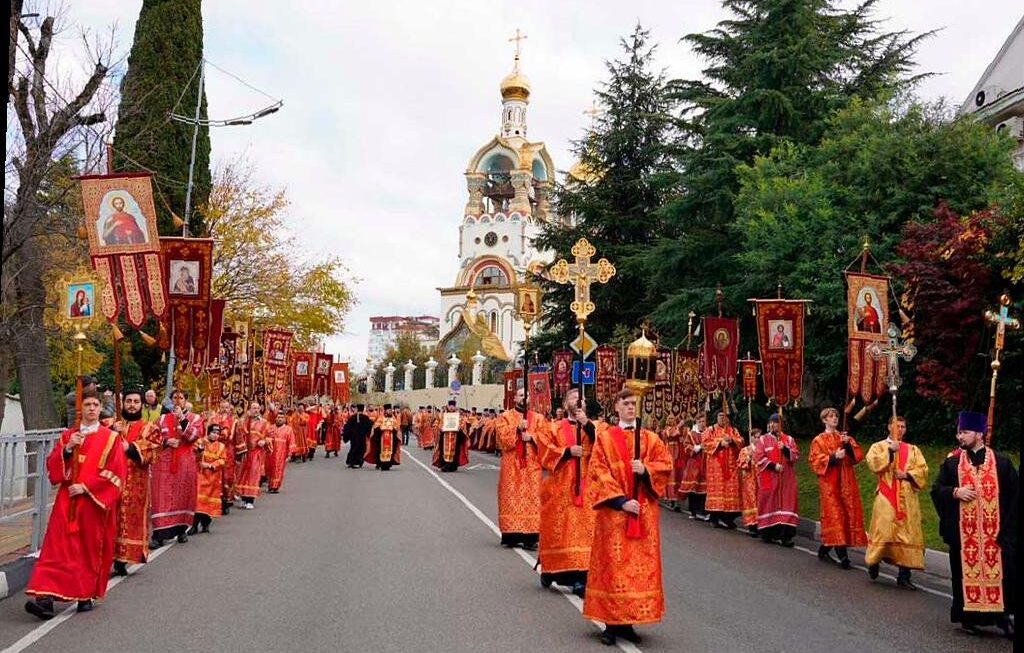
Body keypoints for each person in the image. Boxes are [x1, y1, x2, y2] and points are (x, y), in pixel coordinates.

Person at [24, 391, 128, 619]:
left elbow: (117, 473)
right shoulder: (68, 435)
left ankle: (84, 595)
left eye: (95, 404)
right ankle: (45, 598)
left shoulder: (111, 438)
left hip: (93, 504)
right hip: (66, 501)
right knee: (56, 548)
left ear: (100, 408)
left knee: (86, 550)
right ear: (81, 408)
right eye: (87, 404)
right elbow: (53, 467)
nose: (92, 408)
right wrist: (68, 449)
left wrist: (86, 487)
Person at [583, 388, 673, 646]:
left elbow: (665, 464)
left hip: (643, 515)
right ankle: (611, 623)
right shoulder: (605, 439)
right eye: (626, 403)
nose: (631, 407)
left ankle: (629, 621)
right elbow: (598, 472)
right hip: (615, 516)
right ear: (617, 407)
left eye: (634, 403)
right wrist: (621, 502)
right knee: (615, 570)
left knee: (637, 572)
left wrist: (645, 470)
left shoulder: (650, 438)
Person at [930, 411, 1017, 638]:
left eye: (965, 432)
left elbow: (1015, 497)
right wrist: (955, 492)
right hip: (964, 537)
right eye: (959, 432)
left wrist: (1008, 532)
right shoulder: (952, 464)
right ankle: (968, 618)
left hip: (996, 536)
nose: (959, 436)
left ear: (979, 434)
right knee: (963, 576)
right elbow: (936, 490)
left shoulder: (1002, 463)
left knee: (1003, 576)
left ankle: (1003, 618)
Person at [534, 389, 596, 597]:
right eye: (573, 397)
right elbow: (544, 448)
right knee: (561, 533)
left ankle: (581, 577)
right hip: (560, 488)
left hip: (587, 489)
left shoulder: (595, 426)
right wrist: (567, 451)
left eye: (582, 398)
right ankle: (551, 570)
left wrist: (586, 424)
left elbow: (605, 447)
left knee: (585, 534)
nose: (578, 400)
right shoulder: (554, 427)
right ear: (565, 403)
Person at [865, 415, 929, 589]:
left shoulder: (913, 449)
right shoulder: (878, 446)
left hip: (907, 498)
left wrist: (907, 474)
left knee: (907, 535)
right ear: (889, 427)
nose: (900, 429)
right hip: (886, 496)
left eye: (903, 427)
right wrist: (890, 451)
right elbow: (873, 464)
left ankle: (904, 575)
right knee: (884, 532)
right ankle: (874, 561)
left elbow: (923, 470)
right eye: (897, 426)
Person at [111, 388, 162, 577]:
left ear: (142, 404)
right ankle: (108, 555)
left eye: (136, 402)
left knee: (131, 520)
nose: (132, 405)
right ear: (122, 403)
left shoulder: (149, 428)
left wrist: (130, 448)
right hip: (112, 481)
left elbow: (153, 451)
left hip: (136, 483)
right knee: (111, 519)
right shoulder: (111, 425)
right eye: (129, 401)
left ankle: (123, 559)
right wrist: (111, 432)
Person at [809, 407, 866, 568]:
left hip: (846, 481)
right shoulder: (818, 440)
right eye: (831, 416)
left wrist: (848, 446)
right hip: (829, 483)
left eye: (836, 416)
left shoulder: (843, 437)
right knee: (835, 515)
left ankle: (825, 549)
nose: (834, 418)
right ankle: (843, 557)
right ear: (824, 420)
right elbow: (815, 461)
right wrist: (834, 457)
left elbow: (857, 457)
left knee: (846, 515)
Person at [494, 387, 547, 549]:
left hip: (532, 466)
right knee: (511, 498)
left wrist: (531, 437)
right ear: (515, 398)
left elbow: (546, 439)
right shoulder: (505, 417)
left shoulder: (538, 418)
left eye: (527, 395)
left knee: (533, 498)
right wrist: (517, 428)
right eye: (521, 395)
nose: (524, 398)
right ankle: (512, 536)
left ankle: (531, 537)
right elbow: (501, 440)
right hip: (512, 466)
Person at [150, 390, 202, 546]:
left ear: (186, 401)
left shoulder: (195, 418)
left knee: (182, 498)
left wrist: (182, 419)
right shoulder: (161, 419)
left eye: (181, 398)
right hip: (163, 465)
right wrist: (166, 442)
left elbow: (194, 436)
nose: (177, 400)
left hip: (185, 465)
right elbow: (152, 439)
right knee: (161, 498)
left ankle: (181, 530)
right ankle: (159, 535)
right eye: (174, 398)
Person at [754, 414, 800, 546]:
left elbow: (796, 456)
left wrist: (784, 449)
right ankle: (768, 533)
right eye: (771, 422)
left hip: (786, 480)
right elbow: (758, 457)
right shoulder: (763, 440)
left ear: (781, 424)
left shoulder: (789, 439)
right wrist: (774, 466)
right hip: (770, 479)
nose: (772, 425)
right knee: (769, 505)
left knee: (787, 505)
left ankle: (786, 536)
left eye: (775, 422)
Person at [702, 411, 743, 528]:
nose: (721, 418)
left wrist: (732, 440)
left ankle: (728, 518)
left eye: (723, 416)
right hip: (716, 468)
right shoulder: (711, 430)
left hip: (731, 467)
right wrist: (719, 443)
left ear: (727, 418)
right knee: (717, 493)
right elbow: (705, 443)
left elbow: (741, 441)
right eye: (719, 416)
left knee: (731, 492)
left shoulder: (733, 430)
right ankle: (714, 518)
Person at [191, 423, 227, 534]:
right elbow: (193, 455)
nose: (215, 435)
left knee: (209, 503)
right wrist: (199, 452)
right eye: (213, 432)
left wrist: (211, 465)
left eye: (217, 433)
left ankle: (206, 524)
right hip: (200, 476)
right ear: (208, 432)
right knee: (198, 501)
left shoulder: (221, 446)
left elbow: (223, 460)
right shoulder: (200, 442)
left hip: (213, 478)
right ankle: (194, 525)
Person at [236, 401, 271, 509]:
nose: (256, 410)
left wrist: (264, 441)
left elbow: (270, 436)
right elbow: (239, 431)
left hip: (256, 452)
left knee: (253, 475)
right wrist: (246, 417)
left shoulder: (264, 422)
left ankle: (250, 499)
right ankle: (243, 498)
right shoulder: (244, 421)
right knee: (242, 475)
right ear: (249, 409)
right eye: (253, 408)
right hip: (245, 452)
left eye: (257, 408)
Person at [209, 401, 239, 514]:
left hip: (228, 451)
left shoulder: (234, 421)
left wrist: (239, 453)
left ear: (230, 409)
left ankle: (226, 499)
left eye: (227, 407)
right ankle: (215, 500)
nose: (224, 409)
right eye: (222, 407)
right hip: (214, 449)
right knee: (215, 474)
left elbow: (237, 437)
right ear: (219, 408)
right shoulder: (213, 419)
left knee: (227, 476)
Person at [677, 417, 708, 520]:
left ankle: (703, 511)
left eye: (703, 421)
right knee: (693, 487)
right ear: (696, 422)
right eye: (700, 421)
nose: (702, 423)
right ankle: (693, 511)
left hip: (705, 463)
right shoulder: (691, 434)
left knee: (704, 489)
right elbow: (686, 447)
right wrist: (698, 448)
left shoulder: (708, 433)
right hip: (694, 464)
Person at [431, 400, 469, 472]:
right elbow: (439, 422)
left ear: (455, 407)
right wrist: (441, 427)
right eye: (450, 406)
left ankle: (453, 466)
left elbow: (462, 423)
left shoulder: (458, 415)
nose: (451, 407)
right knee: (444, 451)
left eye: (453, 406)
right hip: (445, 436)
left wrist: (459, 427)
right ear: (448, 406)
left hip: (455, 436)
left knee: (455, 451)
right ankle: (445, 465)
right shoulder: (444, 415)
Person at [736, 428, 760, 537]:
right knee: (751, 502)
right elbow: (740, 464)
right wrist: (749, 457)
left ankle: (760, 524)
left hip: (760, 481)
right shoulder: (745, 450)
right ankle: (752, 525)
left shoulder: (762, 450)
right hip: (749, 481)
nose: (758, 439)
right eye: (756, 437)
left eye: (759, 437)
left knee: (760, 502)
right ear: (752, 438)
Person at [366, 404, 402, 471]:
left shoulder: (393, 418)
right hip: (381, 438)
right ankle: (380, 463)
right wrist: (381, 428)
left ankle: (388, 464)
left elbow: (397, 427)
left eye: (391, 410)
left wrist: (393, 429)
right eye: (389, 410)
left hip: (391, 438)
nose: (390, 411)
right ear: (385, 411)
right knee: (380, 451)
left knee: (391, 451)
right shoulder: (381, 418)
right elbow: (376, 426)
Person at [267, 413, 295, 491]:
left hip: (282, 453)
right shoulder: (270, 428)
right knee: (269, 469)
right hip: (270, 453)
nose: (280, 419)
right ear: (275, 418)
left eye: (282, 417)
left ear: (285, 419)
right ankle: (270, 484)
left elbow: (291, 442)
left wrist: (290, 454)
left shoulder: (288, 429)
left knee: (278, 469)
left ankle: (275, 486)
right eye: (278, 417)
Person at [659, 416, 681, 510]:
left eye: (673, 419)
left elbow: (680, 436)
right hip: (669, 451)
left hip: (677, 451)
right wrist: (678, 426)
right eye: (670, 419)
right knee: (671, 475)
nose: (672, 420)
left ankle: (677, 498)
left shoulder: (677, 428)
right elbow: (670, 435)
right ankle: (671, 498)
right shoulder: (666, 430)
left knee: (677, 475)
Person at [342, 404, 373, 468]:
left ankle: (351, 462)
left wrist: (347, 435)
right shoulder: (365, 418)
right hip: (362, 437)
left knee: (353, 448)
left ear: (357, 409)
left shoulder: (352, 417)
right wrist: (368, 434)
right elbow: (370, 426)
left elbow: (348, 427)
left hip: (354, 437)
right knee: (361, 449)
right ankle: (358, 462)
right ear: (363, 409)